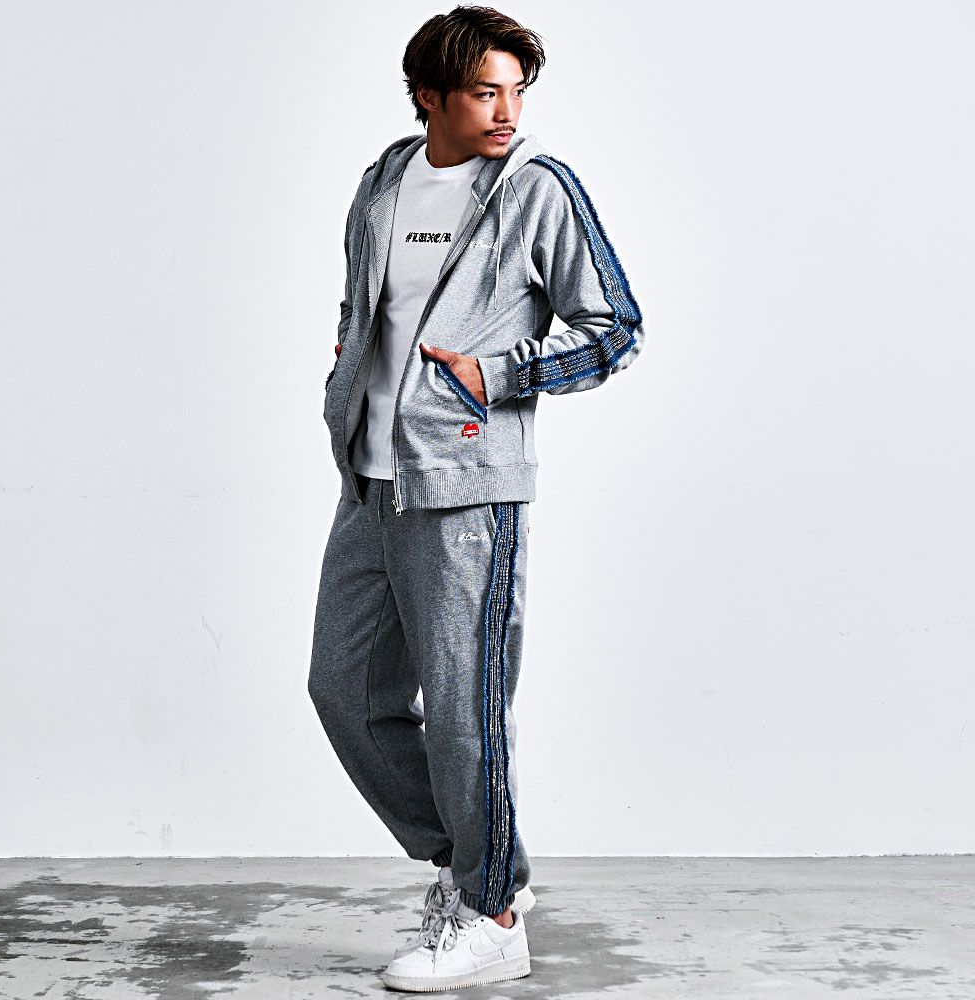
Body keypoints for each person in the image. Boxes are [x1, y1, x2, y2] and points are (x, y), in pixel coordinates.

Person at [308, 4, 645, 991]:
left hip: (466, 490)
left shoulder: (537, 189)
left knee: (466, 713)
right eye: (484, 92)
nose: (506, 111)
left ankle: (492, 912)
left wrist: (494, 374)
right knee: (345, 693)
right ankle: (477, 865)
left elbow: (614, 327)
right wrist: (344, 372)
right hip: (370, 481)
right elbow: (365, 307)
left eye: (516, 92)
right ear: (429, 97)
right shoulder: (384, 179)